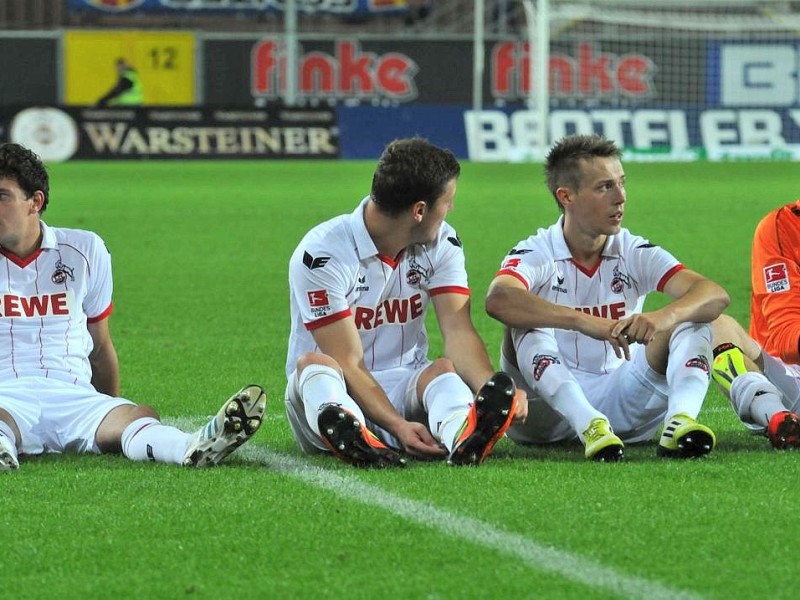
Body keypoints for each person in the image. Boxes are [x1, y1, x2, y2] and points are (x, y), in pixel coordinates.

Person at [0, 143, 265, 472]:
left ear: (35, 202)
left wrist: (107, 407)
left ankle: (193, 445)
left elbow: (100, 346)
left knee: (137, 415)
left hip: (72, 394)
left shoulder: (83, 250)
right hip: (5, 392)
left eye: (2, 196)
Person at [485, 134, 729, 461]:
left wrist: (662, 318)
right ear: (566, 196)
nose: (621, 198)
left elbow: (714, 294)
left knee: (695, 319)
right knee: (524, 328)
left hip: (622, 396)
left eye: (622, 183)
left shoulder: (632, 250)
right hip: (544, 415)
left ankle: (680, 421)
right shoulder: (538, 251)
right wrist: (584, 322)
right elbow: (499, 299)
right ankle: (589, 424)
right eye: (605, 187)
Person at [284, 137, 526, 468]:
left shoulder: (442, 243)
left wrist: (491, 391)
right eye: (448, 201)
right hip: (336, 388)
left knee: (442, 369)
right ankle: (353, 433)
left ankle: (464, 435)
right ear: (419, 211)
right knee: (314, 364)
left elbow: (457, 330)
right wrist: (398, 426)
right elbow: (349, 362)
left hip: (404, 382)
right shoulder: (323, 256)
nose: (451, 209)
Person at [709, 199, 800, 449]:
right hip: (788, 380)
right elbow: (787, 337)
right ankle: (777, 416)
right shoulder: (784, 228)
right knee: (714, 327)